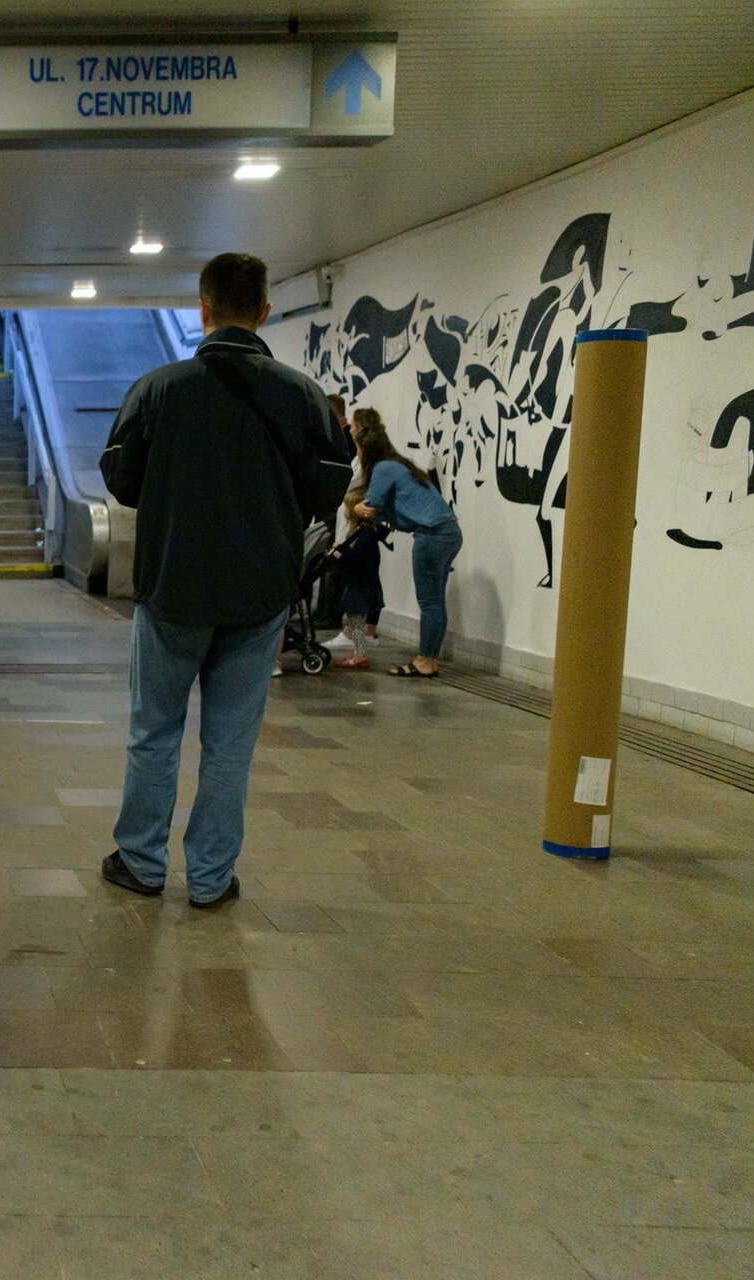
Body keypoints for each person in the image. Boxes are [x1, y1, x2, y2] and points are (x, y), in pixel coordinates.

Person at [98, 252, 346, 906]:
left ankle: (141, 863)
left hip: (172, 588)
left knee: (154, 733)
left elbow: (120, 477)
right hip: (259, 598)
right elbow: (327, 487)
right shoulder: (302, 396)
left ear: (202, 309)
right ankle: (210, 879)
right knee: (230, 744)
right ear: (264, 311)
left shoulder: (159, 389)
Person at [354, 409, 462, 677]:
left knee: (429, 602)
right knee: (436, 601)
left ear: (364, 448)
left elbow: (370, 507)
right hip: (449, 531)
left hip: (431, 534)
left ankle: (425, 661)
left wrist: (355, 508)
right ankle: (430, 660)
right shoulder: (399, 465)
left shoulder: (382, 468)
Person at [330, 496, 386, 671]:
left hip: (360, 586)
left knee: (356, 623)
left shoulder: (365, 534)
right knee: (352, 620)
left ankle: (360, 655)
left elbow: (357, 558)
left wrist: (341, 549)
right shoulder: (366, 533)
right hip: (362, 584)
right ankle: (358, 653)